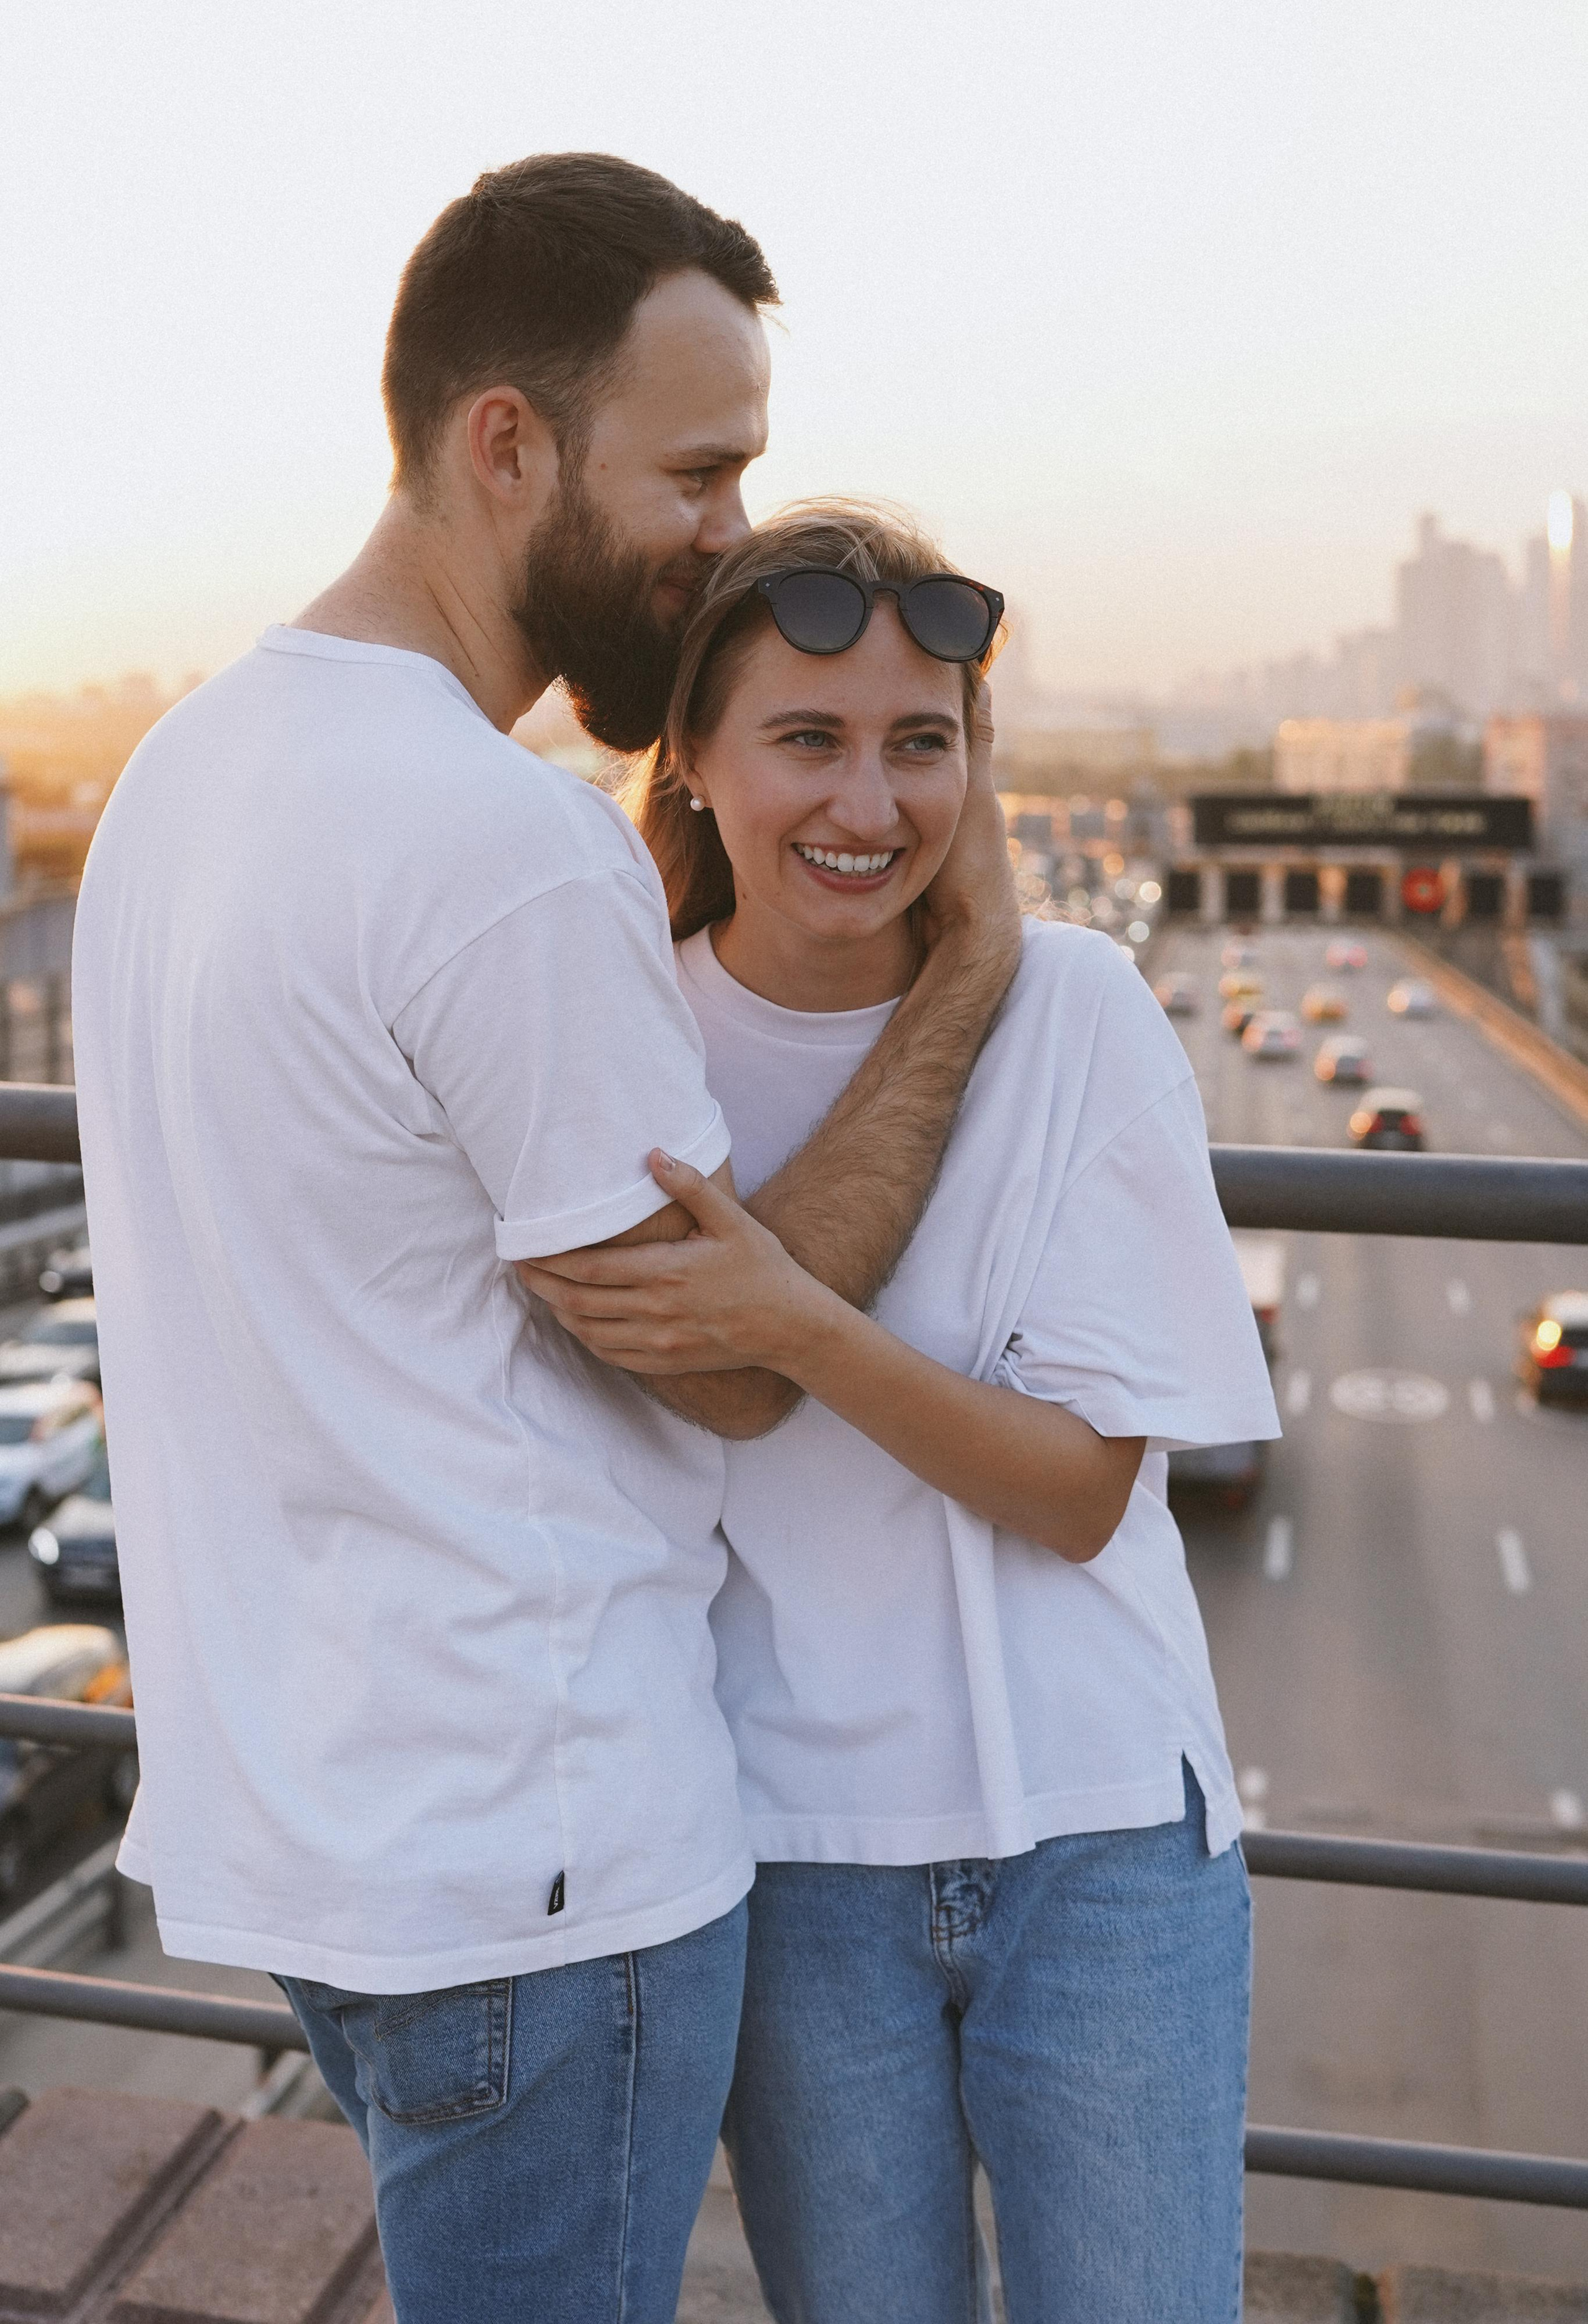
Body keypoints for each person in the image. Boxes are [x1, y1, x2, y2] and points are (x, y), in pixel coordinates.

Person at [71, 169, 1020, 2323]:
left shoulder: (183, 776)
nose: (728, 535)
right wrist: (964, 979)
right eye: (697, 472)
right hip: (538, 1862)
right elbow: (733, 1355)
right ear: (506, 443)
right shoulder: (499, 851)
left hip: (325, 1830)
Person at [523, 503, 1282, 2324]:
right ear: (692, 761)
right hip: (790, 1873)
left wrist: (794, 1321)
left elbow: (1088, 1493)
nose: (868, 802)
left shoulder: (1079, 1014)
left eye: (919, 743)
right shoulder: (617, 1051)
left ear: (980, 769)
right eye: (808, 738)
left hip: (1101, 1848)